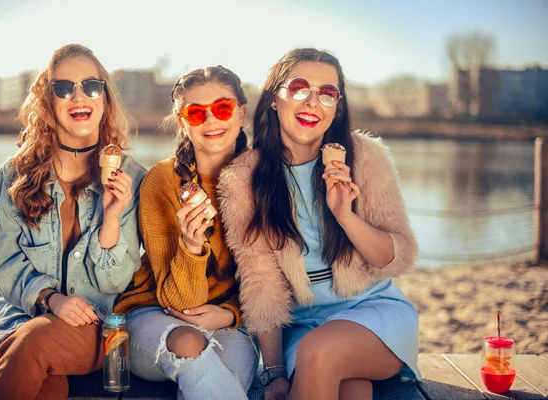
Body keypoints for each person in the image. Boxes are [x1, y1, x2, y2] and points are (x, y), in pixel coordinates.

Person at [218, 48, 421, 400]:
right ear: (274, 99)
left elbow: (396, 257)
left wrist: (346, 216)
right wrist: (275, 372)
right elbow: (261, 283)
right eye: (299, 87)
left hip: (373, 310)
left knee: (320, 353)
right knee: (351, 390)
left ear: (337, 107)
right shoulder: (243, 178)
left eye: (327, 92)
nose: (313, 101)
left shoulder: (366, 158)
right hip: (302, 326)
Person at [0, 44, 145, 399]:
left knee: (35, 343)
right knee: (46, 387)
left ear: (105, 98)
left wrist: (111, 217)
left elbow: (115, 280)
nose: (78, 96)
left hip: (92, 325)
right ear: (48, 101)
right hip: (15, 320)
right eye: (64, 88)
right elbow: (6, 264)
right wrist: (51, 299)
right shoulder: (13, 175)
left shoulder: (132, 178)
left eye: (91, 86)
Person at [113, 66, 259, 400]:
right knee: (191, 345)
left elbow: (269, 282)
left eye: (222, 108)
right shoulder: (162, 181)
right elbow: (180, 301)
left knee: (226, 382)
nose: (211, 120)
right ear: (182, 122)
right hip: (152, 315)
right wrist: (192, 246)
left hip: (227, 322)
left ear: (241, 113)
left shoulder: (263, 180)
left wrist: (228, 314)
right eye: (195, 113)